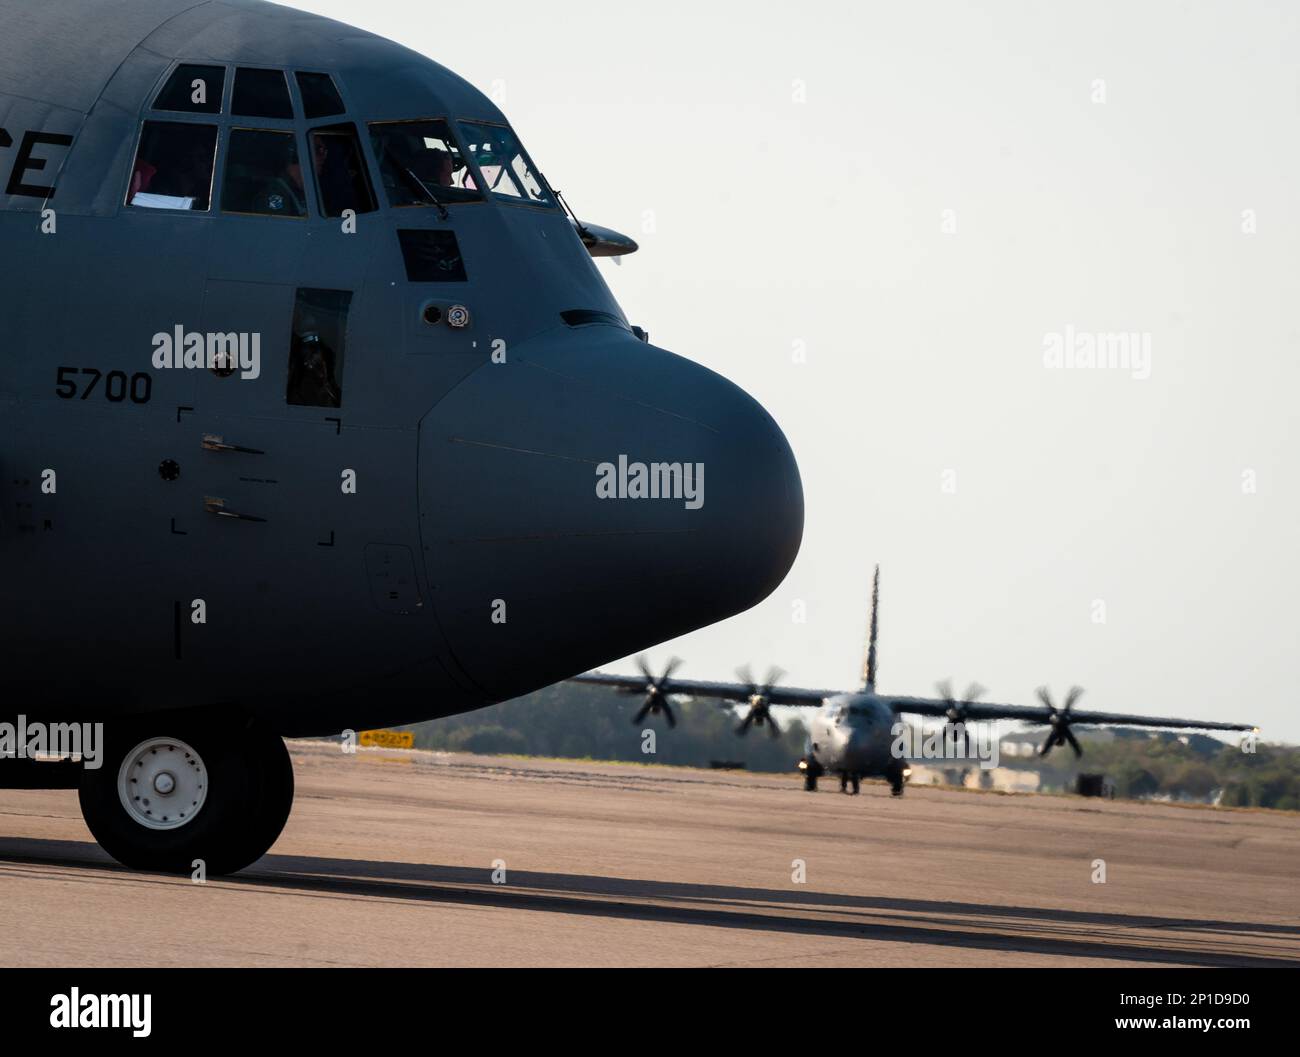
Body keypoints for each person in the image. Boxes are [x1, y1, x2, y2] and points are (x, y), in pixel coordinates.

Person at [255, 142, 307, 216]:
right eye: (318, 150)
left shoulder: (301, 190)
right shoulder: (275, 193)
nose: (323, 157)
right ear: (296, 156)